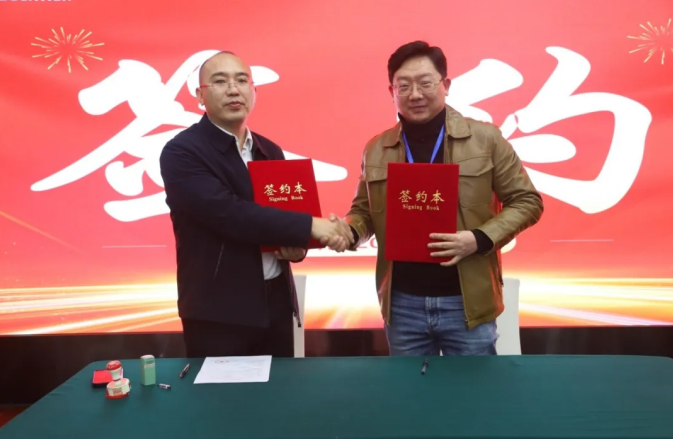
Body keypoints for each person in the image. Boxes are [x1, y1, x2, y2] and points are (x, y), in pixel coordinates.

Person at [340, 41, 543, 356]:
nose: (415, 94)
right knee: (410, 388)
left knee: (472, 387)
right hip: (402, 303)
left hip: (466, 301)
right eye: (403, 86)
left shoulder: (486, 138)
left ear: (445, 85)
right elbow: (363, 212)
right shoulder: (376, 148)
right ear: (391, 91)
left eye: (425, 83)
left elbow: (527, 201)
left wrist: (478, 238)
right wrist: (348, 231)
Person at [159, 51, 352, 358]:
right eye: (220, 82)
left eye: (241, 81)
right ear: (199, 95)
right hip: (218, 312)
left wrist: (299, 247)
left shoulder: (269, 150)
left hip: (275, 304)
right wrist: (311, 226)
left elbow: (284, 216)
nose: (233, 90)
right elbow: (228, 213)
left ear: (253, 91)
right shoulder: (182, 152)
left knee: (280, 388)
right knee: (223, 391)